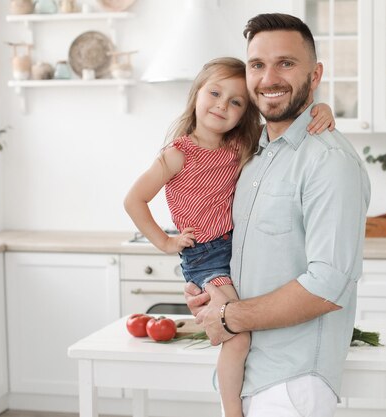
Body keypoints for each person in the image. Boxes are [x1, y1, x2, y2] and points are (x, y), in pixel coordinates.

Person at [123, 57, 335, 417]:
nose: (222, 105)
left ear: (245, 113)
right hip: (205, 255)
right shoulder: (178, 154)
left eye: (236, 102)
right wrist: (166, 242)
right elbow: (134, 200)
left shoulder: (240, 146)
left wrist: (322, 108)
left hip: (235, 249)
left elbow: (286, 120)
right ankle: (231, 411)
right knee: (238, 336)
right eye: (215, 93)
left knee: (247, 326)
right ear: (196, 95)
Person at [185, 13, 371, 417]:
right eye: (257, 65)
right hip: (246, 374)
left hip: (292, 383)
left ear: (315, 73)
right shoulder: (254, 156)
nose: (269, 77)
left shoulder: (328, 161)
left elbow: (328, 285)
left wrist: (229, 316)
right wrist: (210, 292)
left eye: (285, 63)